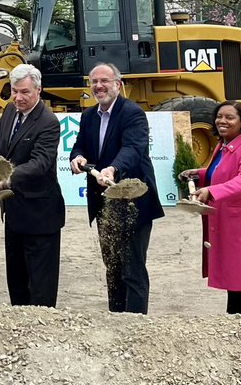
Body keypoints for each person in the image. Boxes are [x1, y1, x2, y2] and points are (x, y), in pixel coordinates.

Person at [69, 62, 163, 314]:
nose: (98, 86)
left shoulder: (132, 113)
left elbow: (133, 149)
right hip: (104, 204)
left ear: (117, 85)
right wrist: (77, 157)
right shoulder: (89, 115)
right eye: (94, 82)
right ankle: (116, 320)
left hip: (133, 202)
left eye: (104, 81)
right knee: (113, 267)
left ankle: (135, 325)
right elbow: (80, 146)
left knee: (132, 268)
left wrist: (113, 169)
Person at [180, 100, 241, 314]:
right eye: (219, 116)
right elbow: (221, 172)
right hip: (231, 225)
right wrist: (199, 173)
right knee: (235, 281)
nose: (222, 121)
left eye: (229, 117)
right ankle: (236, 329)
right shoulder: (223, 146)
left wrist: (211, 191)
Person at [0, 65, 63, 307]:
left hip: (40, 216)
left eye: (25, 92)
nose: (18, 98)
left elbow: (40, 164)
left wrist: (7, 176)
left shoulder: (48, 122)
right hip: (14, 212)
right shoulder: (10, 110)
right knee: (16, 281)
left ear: (39, 90)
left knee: (40, 286)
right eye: (15, 91)